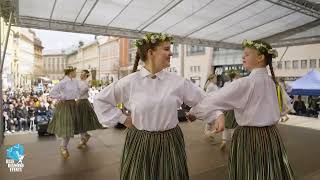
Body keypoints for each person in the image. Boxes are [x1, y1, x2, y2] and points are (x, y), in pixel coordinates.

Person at [93, 32, 224, 180]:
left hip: (170, 142)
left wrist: (217, 114)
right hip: (140, 142)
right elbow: (100, 100)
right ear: (151, 53)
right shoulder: (130, 82)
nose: (170, 53)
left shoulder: (177, 82)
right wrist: (123, 119)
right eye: (166, 49)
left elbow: (202, 100)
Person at [189, 40, 294, 180]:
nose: (243, 57)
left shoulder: (245, 83)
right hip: (272, 136)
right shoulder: (272, 82)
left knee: (249, 172)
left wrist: (193, 112)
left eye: (247, 54)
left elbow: (213, 100)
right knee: (270, 172)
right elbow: (283, 108)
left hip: (249, 137)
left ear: (260, 57)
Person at [47, 66, 80, 160]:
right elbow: (52, 92)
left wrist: (77, 98)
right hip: (65, 106)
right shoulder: (63, 82)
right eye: (74, 71)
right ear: (70, 72)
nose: (76, 73)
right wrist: (62, 97)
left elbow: (77, 91)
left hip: (72, 104)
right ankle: (63, 147)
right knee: (67, 127)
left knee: (70, 128)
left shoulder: (74, 81)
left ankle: (64, 146)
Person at [76, 70, 103, 149]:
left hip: (83, 103)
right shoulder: (78, 82)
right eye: (81, 73)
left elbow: (80, 92)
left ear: (86, 76)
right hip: (78, 102)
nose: (81, 75)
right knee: (80, 121)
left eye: (83, 74)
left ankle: (83, 138)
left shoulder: (86, 83)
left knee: (82, 120)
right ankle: (85, 136)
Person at [220, 70, 240, 150]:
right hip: (233, 107)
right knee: (233, 125)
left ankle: (224, 141)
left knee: (226, 125)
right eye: (238, 75)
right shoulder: (238, 83)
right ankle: (233, 141)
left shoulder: (226, 84)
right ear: (235, 76)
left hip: (226, 106)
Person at [203, 74, 219, 139]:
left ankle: (209, 133)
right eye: (215, 78)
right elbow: (206, 95)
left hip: (214, 104)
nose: (216, 80)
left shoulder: (214, 85)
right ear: (211, 79)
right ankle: (208, 133)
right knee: (211, 120)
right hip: (211, 105)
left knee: (211, 120)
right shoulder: (210, 86)